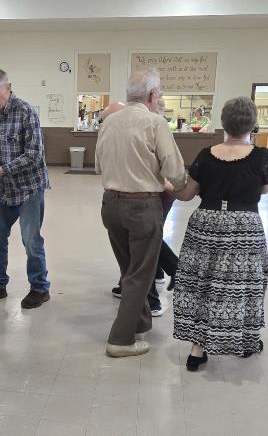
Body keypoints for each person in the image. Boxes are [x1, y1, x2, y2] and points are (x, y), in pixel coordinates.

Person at [170, 96, 268, 371]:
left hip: (206, 223)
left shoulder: (206, 155)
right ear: (252, 124)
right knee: (245, 285)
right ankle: (246, 340)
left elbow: (187, 194)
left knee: (203, 283)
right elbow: (263, 190)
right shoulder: (261, 156)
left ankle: (197, 350)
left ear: (223, 123)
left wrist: (166, 186)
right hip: (245, 227)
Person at [96, 70, 187, 358]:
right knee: (140, 275)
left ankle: (139, 322)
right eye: (158, 94)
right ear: (151, 95)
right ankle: (120, 339)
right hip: (142, 207)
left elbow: (99, 166)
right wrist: (182, 185)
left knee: (129, 270)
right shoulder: (154, 122)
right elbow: (174, 170)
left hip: (110, 205)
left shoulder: (108, 123)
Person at [0, 68, 51, 309]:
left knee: (31, 240)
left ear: (8, 89)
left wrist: (3, 170)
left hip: (29, 187)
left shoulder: (26, 112)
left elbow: (34, 155)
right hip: (3, 189)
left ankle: (40, 289)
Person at [104, 102, 180, 317]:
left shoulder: (153, 125)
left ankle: (153, 299)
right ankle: (145, 282)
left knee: (146, 241)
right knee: (143, 241)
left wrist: (176, 187)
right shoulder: (135, 125)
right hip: (137, 195)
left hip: (154, 193)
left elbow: (167, 168)